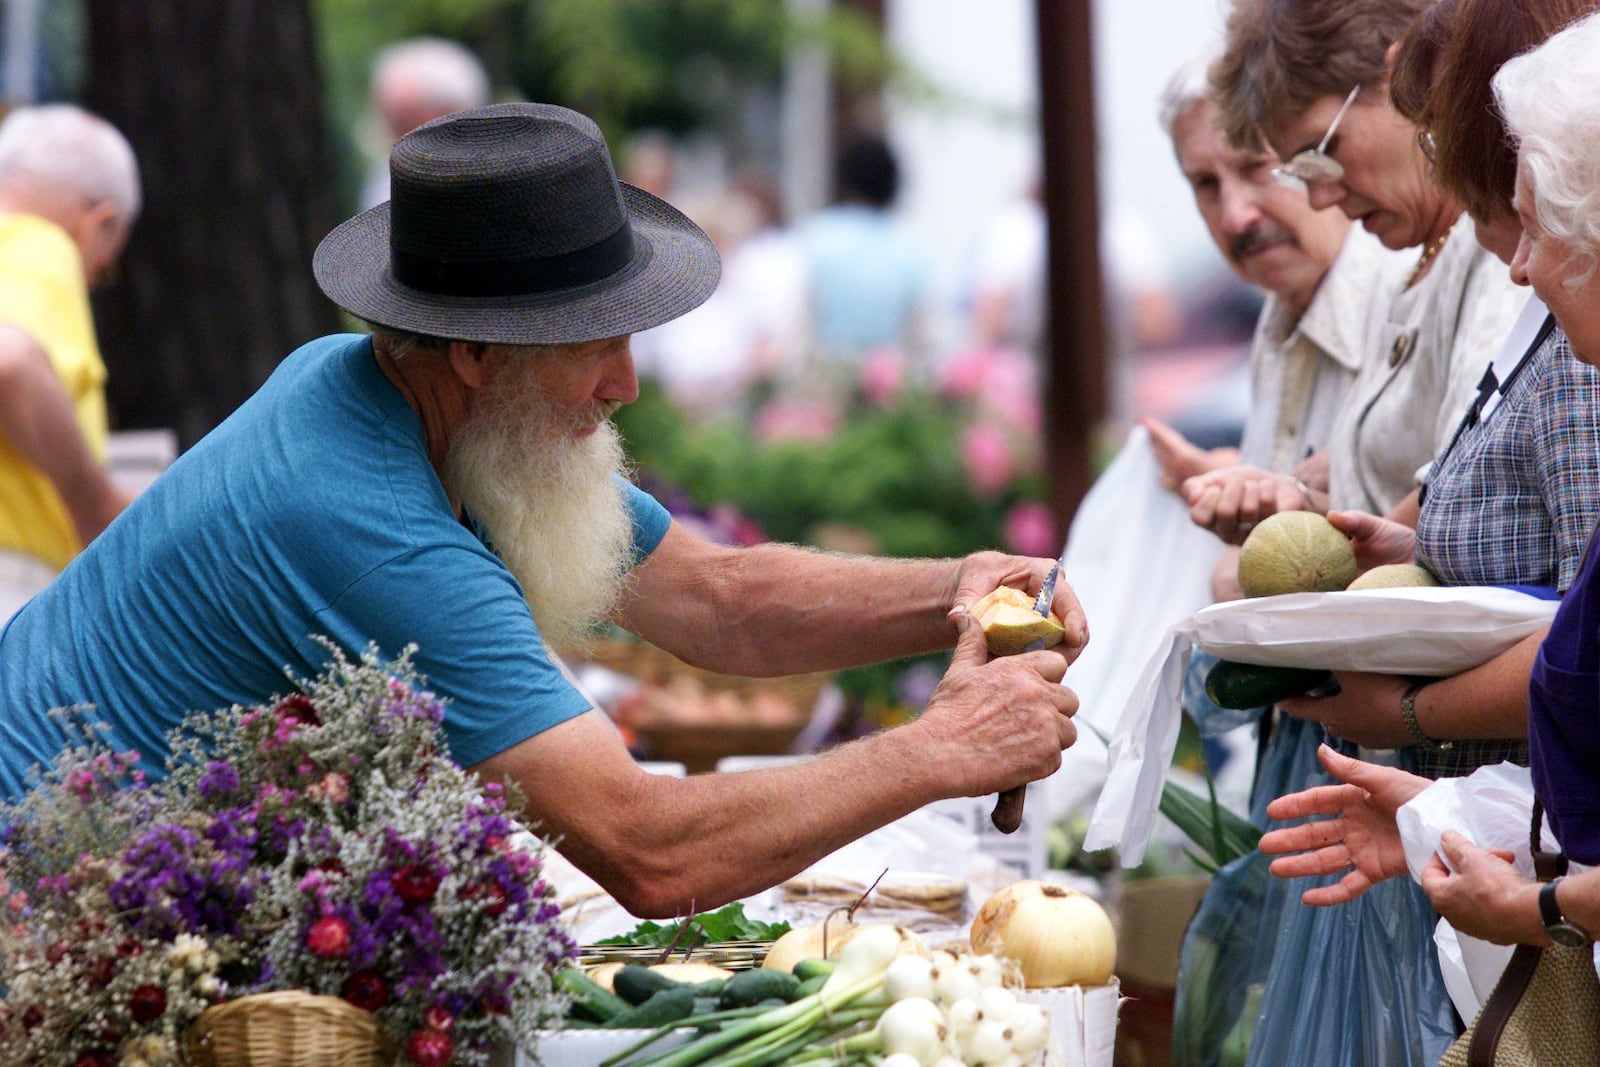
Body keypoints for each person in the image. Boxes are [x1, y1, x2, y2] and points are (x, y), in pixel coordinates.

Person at [0, 102, 1085, 919]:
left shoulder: (385, 386)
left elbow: (721, 599)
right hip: (44, 906)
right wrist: (938, 748)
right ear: (473, 351)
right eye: (596, 343)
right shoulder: (371, 530)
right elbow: (653, 852)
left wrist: (954, 586)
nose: (629, 382)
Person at [1260, 3, 1600, 966]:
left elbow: (1578, 657)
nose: (1521, 266)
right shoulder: (1552, 308)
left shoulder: (1578, 350)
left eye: (1441, 131)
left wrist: (1403, 717)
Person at [1189, 0, 1524, 536]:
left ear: (1399, 78)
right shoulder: (1423, 258)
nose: (1320, 195)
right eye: (1300, 171)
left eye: (1322, 150)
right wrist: (1298, 496)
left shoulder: (1494, 243)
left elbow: (1475, 478)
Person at [0, 103, 141, 623]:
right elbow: (9, 359)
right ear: (97, 224)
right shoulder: (36, 246)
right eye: (99, 272)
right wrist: (95, 505)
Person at [796, 132, 934, 379]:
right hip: (893, 378)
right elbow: (922, 329)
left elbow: (802, 317)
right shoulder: (914, 243)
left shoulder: (819, 236)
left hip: (829, 373)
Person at [358, 37, 491, 210]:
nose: (397, 141)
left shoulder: (502, 177)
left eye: (406, 124)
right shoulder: (383, 181)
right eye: (392, 125)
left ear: (450, 115)